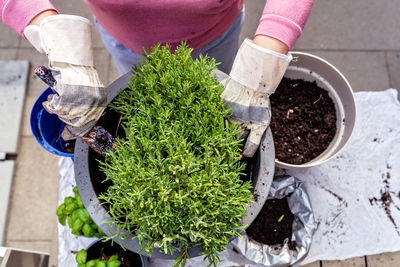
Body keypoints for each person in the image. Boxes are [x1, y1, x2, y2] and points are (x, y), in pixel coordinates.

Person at [1, 0, 313, 157]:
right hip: (125, 39)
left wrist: (262, 61)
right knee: (143, 94)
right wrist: (56, 37)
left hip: (216, 36)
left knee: (216, 95)